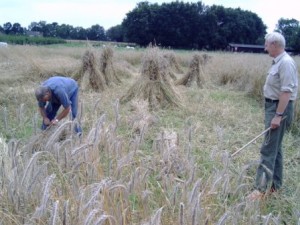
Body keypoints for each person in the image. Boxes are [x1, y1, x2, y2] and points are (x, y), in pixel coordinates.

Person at [247, 32, 298, 200]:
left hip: (279, 109)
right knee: (276, 149)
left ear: (275, 45)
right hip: (274, 107)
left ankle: (259, 190)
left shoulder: (286, 63)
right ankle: (276, 186)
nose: (265, 48)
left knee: (268, 148)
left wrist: (278, 115)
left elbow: (286, 91)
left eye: (267, 45)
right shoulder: (279, 62)